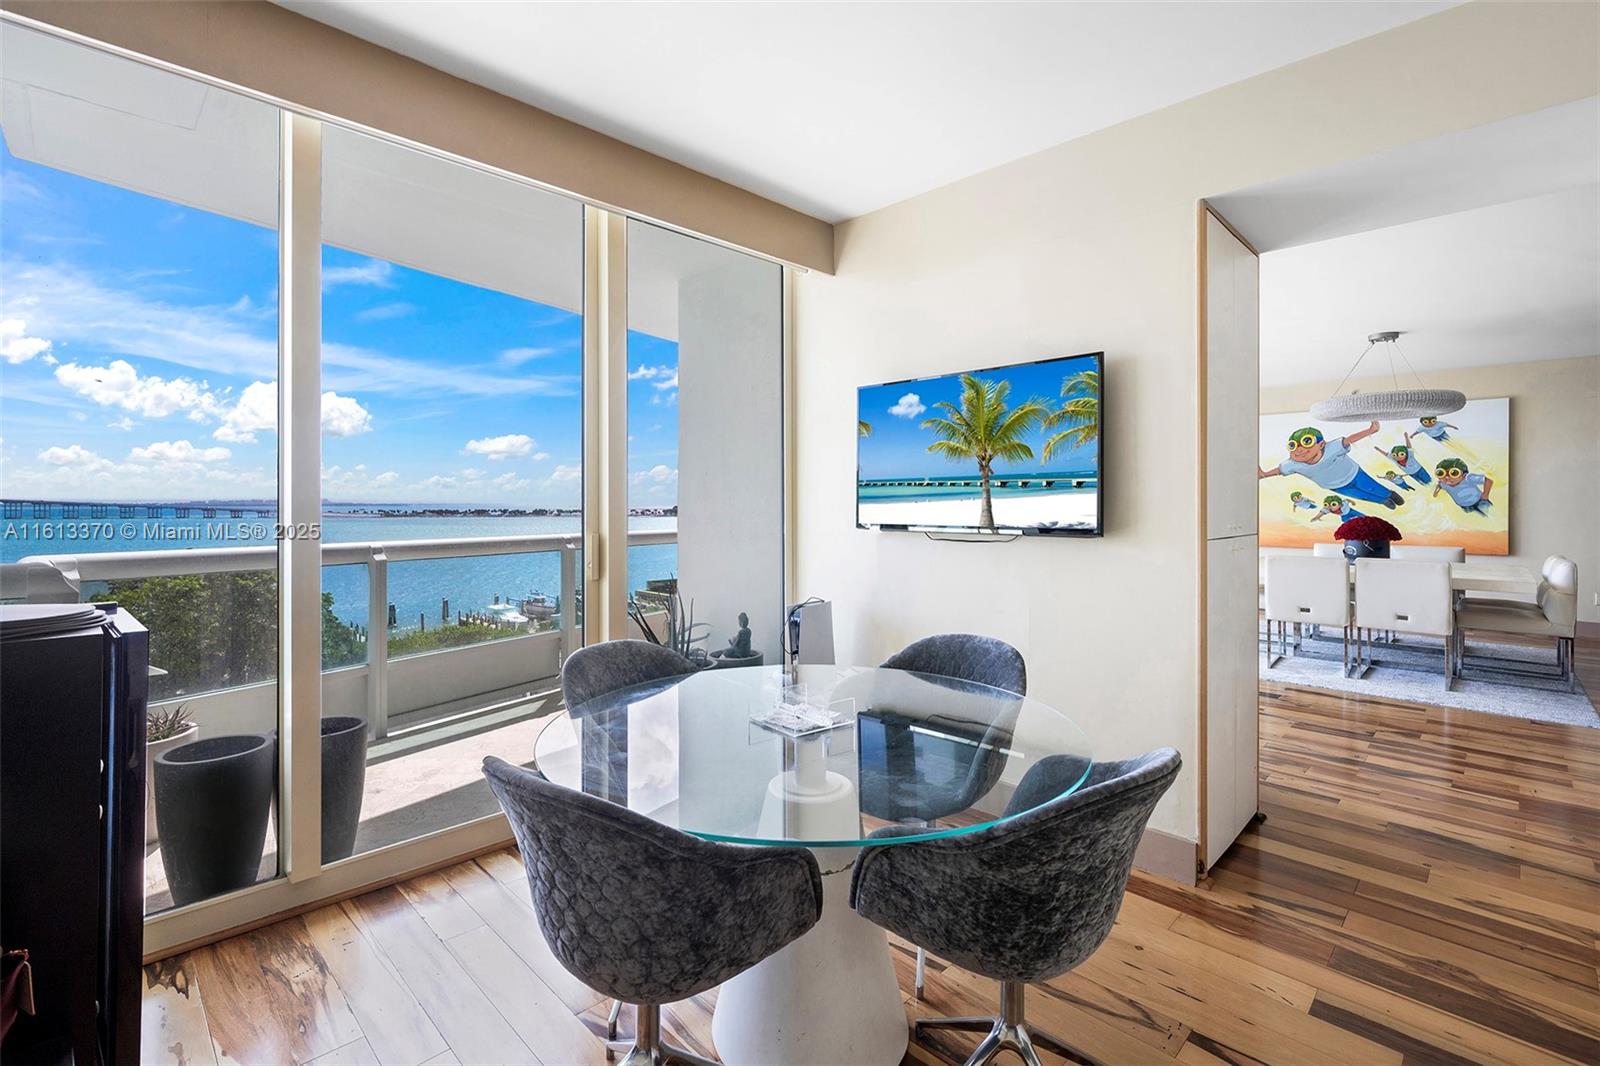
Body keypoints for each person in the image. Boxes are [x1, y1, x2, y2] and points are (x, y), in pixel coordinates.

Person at [1259, 421, 1403, 508]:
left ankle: (1389, 494)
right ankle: (1383, 500)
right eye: (1293, 446)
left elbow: (1349, 440)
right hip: (1335, 486)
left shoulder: (1331, 448)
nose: (1299, 450)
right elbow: (1279, 470)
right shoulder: (1292, 464)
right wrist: (1263, 475)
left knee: (1371, 487)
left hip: (1354, 474)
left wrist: (1370, 430)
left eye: (1306, 442)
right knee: (1362, 496)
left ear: (1321, 444)